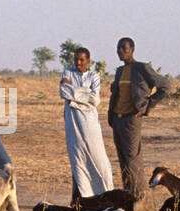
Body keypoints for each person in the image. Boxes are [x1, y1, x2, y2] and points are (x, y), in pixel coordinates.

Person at [108, 37, 168, 198]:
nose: (120, 51)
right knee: (123, 159)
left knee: (132, 159)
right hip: (117, 119)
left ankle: (139, 197)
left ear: (132, 49)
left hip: (131, 119)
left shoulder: (142, 68)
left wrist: (147, 107)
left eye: (124, 48)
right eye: (118, 48)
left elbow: (165, 86)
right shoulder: (120, 71)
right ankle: (129, 195)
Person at [60, 47, 114, 201]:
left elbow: (95, 100)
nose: (78, 63)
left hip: (90, 125)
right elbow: (64, 92)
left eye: (82, 60)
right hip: (73, 124)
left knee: (99, 159)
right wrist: (85, 94)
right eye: (76, 59)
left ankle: (105, 195)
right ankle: (83, 199)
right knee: (77, 160)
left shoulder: (94, 76)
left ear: (88, 61)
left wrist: (74, 95)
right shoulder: (67, 73)